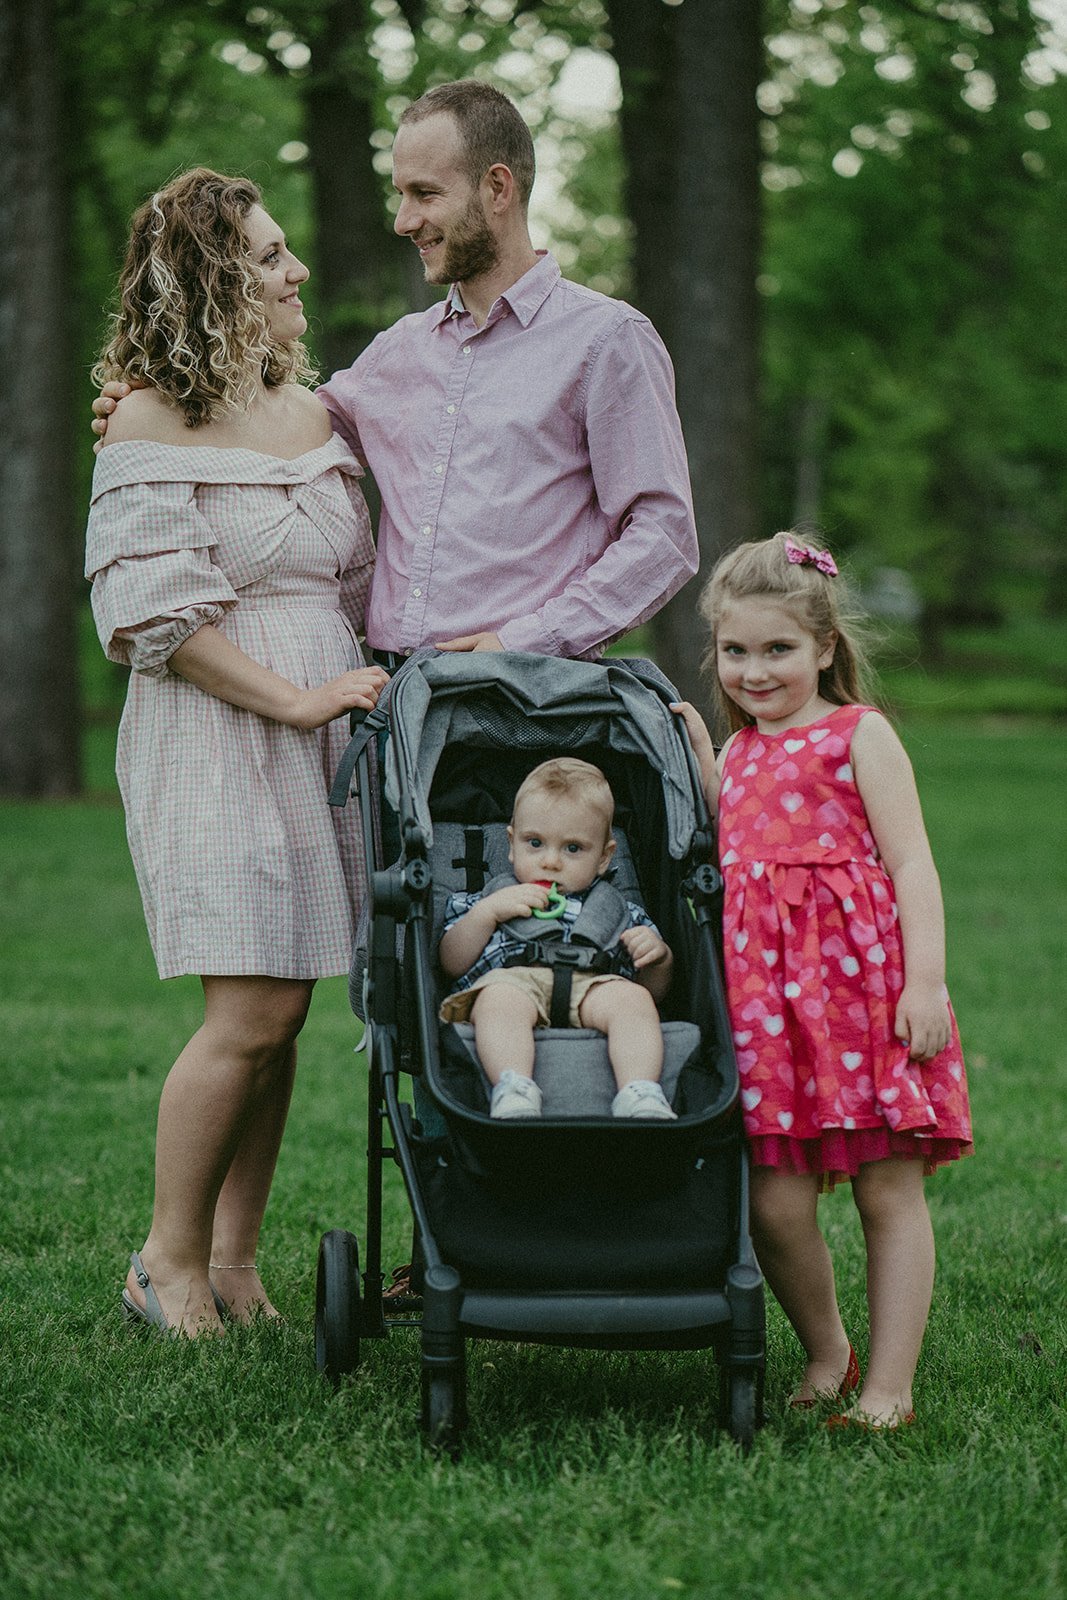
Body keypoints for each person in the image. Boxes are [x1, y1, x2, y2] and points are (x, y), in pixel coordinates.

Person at [85, 168, 388, 1336]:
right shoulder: (149, 421)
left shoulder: (316, 416)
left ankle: (233, 1257)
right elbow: (155, 620)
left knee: (286, 1004)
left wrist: (334, 702)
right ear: (211, 283)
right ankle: (162, 1261)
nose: (294, 270)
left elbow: (355, 579)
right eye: (266, 257)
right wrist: (297, 701)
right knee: (249, 1009)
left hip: (322, 731)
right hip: (218, 734)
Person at [94, 80, 699, 663]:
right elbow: (268, 433)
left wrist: (528, 640)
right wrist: (152, 409)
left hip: (525, 692)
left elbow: (664, 535)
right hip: (393, 697)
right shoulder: (398, 351)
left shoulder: (606, 340)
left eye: (425, 194)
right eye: (400, 195)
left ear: (497, 188)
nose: (403, 221)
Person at [673, 531, 973, 1429]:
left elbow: (911, 863)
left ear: (824, 646)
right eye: (735, 651)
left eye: (778, 649)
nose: (755, 670)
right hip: (766, 1012)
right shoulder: (738, 752)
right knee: (772, 1202)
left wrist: (925, 984)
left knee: (887, 1187)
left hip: (862, 997)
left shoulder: (858, 734)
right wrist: (699, 753)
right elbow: (733, 852)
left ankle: (889, 1388)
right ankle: (829, 1348)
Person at [438, 759, 676, 1120]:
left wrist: (659, 959)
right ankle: (513, 1087)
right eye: (535, 843)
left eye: (573, 848)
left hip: (592, 985)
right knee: (496, 1000)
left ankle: (640, 1091)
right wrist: (486, 914)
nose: (550, 862)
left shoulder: (619, 912)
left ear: (604, 857)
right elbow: (450, 963)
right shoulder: (487, 901)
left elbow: (654, 992)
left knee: (634, 999)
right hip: (515, 981)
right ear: (512, 844)